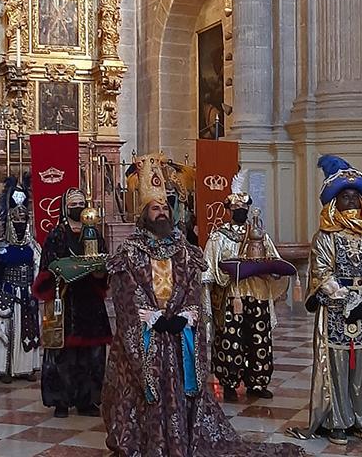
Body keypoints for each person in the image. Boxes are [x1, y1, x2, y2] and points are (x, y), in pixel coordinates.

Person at [102, 153, 304, 457]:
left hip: (179, 332)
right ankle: (147, 443)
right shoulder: (129, 252)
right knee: (145, 390)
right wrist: (153, 318)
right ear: (144, 214)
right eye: (155, 208)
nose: (161, 212)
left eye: (165, 207)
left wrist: (183, 316)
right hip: (149, 334)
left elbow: (193, 286)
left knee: (184, 389)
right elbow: (126, 291)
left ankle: (181, 438)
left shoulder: (185, 250)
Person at [286, 155, 362, 447]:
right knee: (336, 366)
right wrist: (345, 300)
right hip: (335, 311)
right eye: (344, 196)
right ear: (335, 202)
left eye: (354, 196)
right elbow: (321, 273)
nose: (350, 200)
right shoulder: (324, 238)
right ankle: (337, 421)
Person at [203, 171, 291, 402]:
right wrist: (228, 274)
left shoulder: (260, 235)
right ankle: (229, 382)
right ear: (230, 211)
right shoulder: (219, 237)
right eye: (237, 209)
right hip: (233, 296)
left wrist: (270, 269)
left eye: (244, 208)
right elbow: (209, 268)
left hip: (259, 294)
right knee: (231, 340)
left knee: (259, 338)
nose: (241, 212)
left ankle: (258, 382)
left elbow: (273, 258)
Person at [32, 187, 111, 418]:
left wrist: (99, 272)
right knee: (62, 355)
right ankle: (61, 401)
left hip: (90, 301)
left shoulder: (95, 234)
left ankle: (88, 400)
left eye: (81, 203)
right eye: (73, 204)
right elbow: (46, 268)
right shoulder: (56, 236)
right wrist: (63, 271)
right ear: (66, 208)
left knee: (93, 355)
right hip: (64, 300)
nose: (78, 207)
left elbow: (103, 263)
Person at [0, 174, 42, 382]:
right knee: (7, 331)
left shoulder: (33, 248)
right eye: (17, 218)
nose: (21, 221)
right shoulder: (2, 249)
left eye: (24, 218)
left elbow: (37, 268)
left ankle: (27, 367)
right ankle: (6, 369)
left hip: (28, 293)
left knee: (28, 329)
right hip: (8, 294)